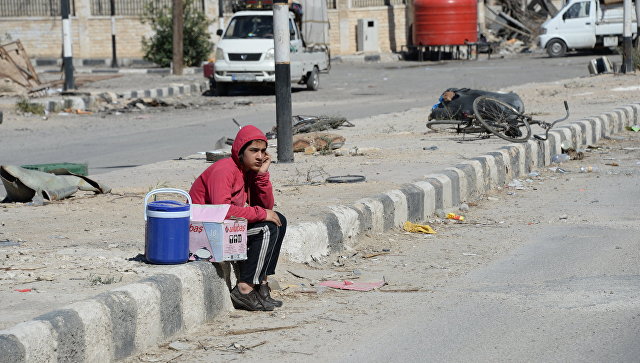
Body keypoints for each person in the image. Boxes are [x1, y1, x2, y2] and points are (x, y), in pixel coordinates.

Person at [189, 125, 287, 311]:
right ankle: (244, 289)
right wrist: (261, 214)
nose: (260, 156)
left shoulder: (247, 171)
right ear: (240, 151)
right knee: (267, 228)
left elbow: (267, 207)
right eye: (253, 150)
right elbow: (222, 211)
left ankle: (261, 283)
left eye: (263, 151)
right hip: (206, 232)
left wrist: (262, 177)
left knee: (278, 220)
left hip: (223, 228)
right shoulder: (225, 169)